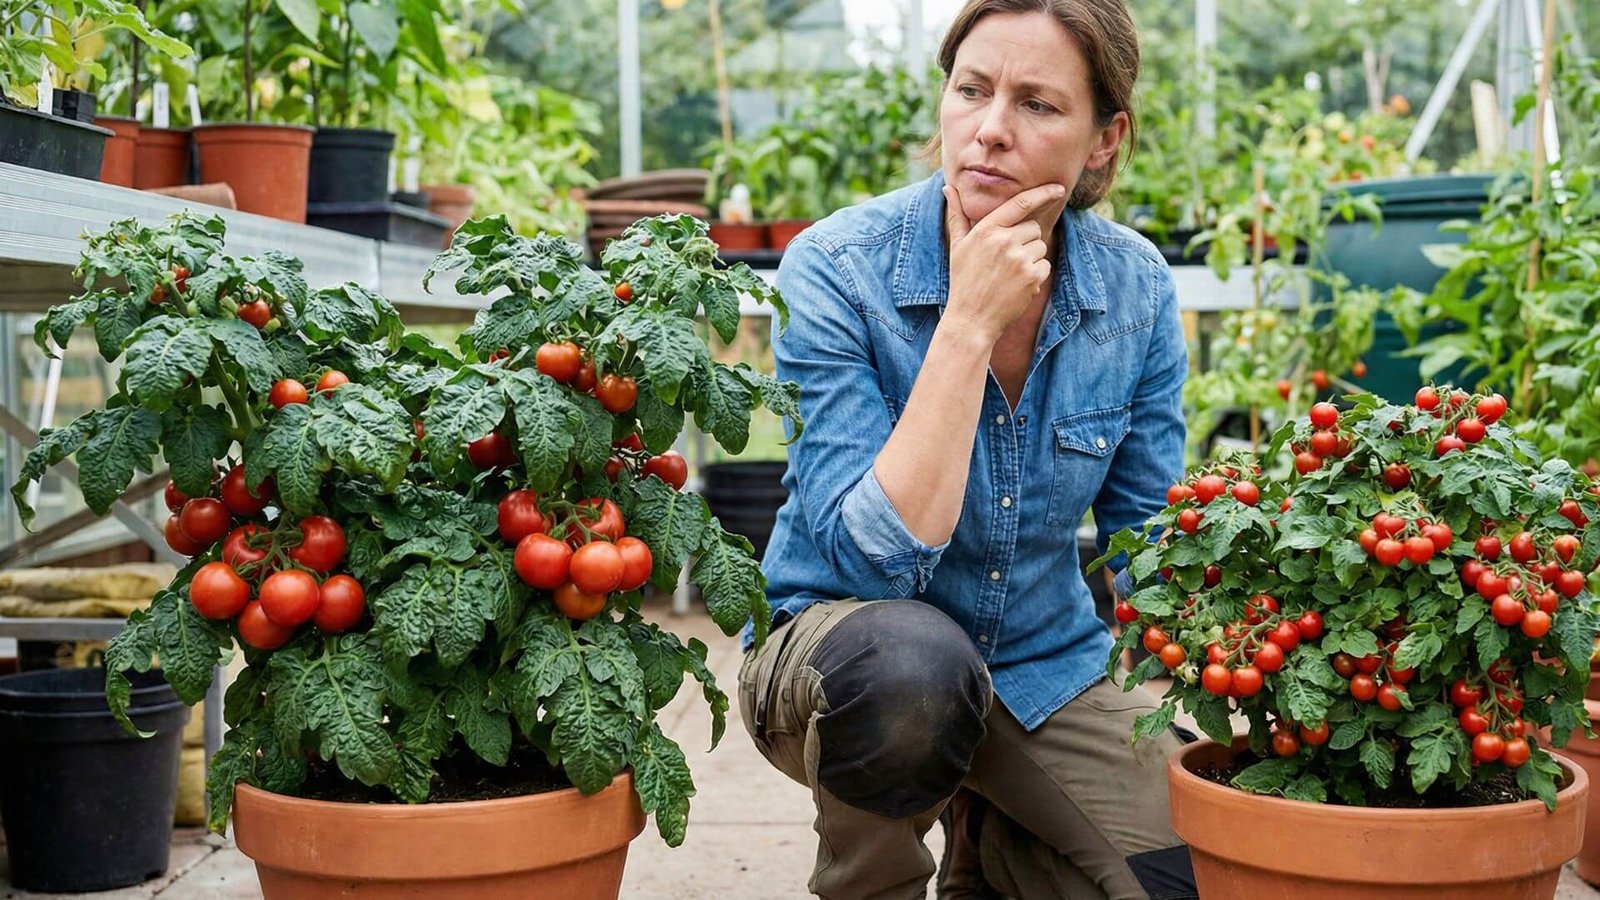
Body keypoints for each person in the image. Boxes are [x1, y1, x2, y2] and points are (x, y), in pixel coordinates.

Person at [737, 0, 1196, 898]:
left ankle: (994, 839)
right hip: (842, 656)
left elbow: (1149, 538)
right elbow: (870, 563)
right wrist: (969, 323)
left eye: (1038, 104)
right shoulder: (838, 266)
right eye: (972, 90)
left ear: (1104, 139)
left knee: (1194, 872)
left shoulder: (1134, 286)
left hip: (1042, 666)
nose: (989, 129)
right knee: (912, 675)